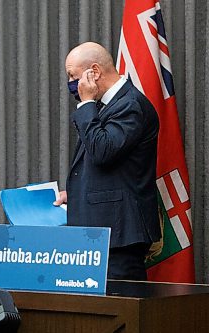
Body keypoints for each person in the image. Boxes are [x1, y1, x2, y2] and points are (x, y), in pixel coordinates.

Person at [54, 42, 161, 281]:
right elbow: (110, 168)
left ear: (94, 71)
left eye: (73, 76)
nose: (71, 84)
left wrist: (86, 103)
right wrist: (77, 193)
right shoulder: (108, 105)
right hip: (100, 232)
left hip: (119, 235)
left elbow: (103, 151)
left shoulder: (130, 105)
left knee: (121, 310)